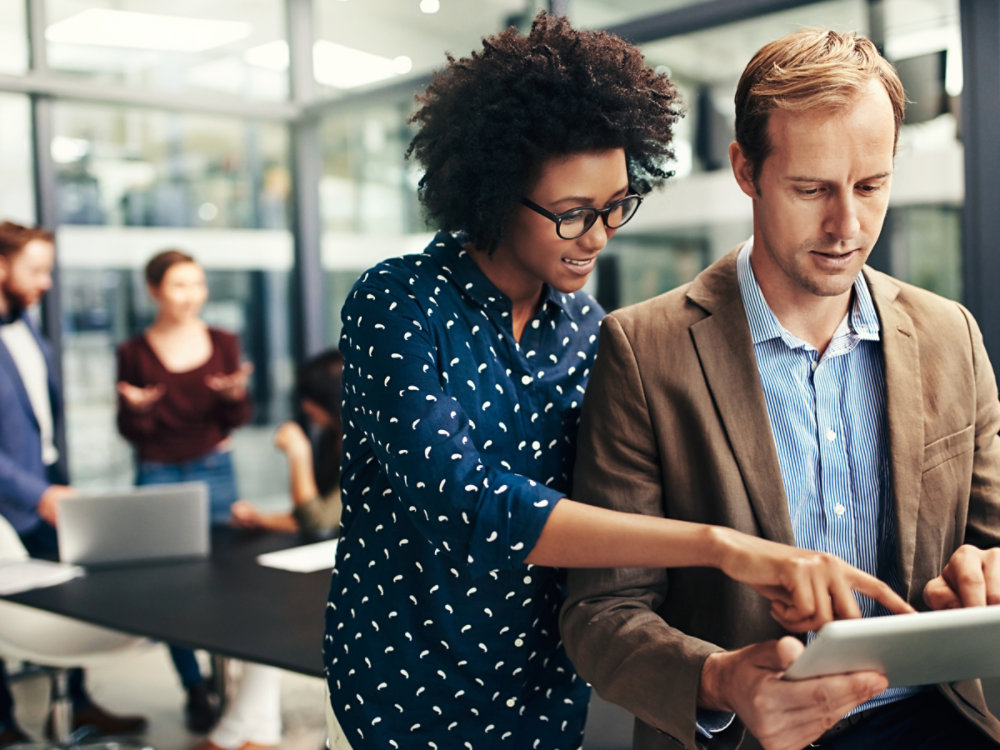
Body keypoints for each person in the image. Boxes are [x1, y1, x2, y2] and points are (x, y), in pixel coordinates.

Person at [322, 14, 913, 750]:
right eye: (573, 215)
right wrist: (722, 545)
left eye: (615, 207)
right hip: (402, 691)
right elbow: (465, 500)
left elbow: (608, 513)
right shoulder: (399, 303)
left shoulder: (585, 327)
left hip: (542, 701)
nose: (599, 236)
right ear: (496, 190)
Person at [560, 28, 1000, 750]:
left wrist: (987, 571)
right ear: (745, 169)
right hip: (747, 736)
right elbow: (602, 613)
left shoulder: (950, 334)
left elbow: (993, 536)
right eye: (811, 189)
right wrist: (724, 678)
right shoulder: (645, 351)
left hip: (935, 722)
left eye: (871, 186)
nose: (847, 226)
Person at [0, 221, 147, 746]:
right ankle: (7, 727)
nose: (46, 282)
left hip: (47, 488)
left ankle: (80, 705)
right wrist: (35, 494)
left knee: (74, 594)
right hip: (16, 502)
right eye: (36, 270)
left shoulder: (26, 326)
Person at [116, 248, 253, 734]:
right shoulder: (133, 351)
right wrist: (138, 410)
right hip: (157, 473)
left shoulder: (222, 341)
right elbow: (133, 433)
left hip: (215, 468)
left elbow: (237, 420)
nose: (191, 295)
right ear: (154, 291)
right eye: (178, 285)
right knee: (171, 588)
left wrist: (235, 397)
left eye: (197, 284)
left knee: (225, 578)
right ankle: (193, 684)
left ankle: (229, 681)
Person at [192, 350, 345, 750]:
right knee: (264, 610)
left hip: (353, 574)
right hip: (329, 560)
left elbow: (319, 518)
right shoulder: (335, 437)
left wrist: (297, 454)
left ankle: (243, 731)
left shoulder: (362, 439)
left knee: (273, 614)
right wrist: (263, 518)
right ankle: (252, 729)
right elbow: (313, 514)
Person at [230, 348, 344, 538]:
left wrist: (299, 453)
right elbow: (307, 512)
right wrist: (259, 519)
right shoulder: (330, 438)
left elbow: (317, 522)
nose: (305, 407)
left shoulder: (366, 449)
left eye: (311, 398)